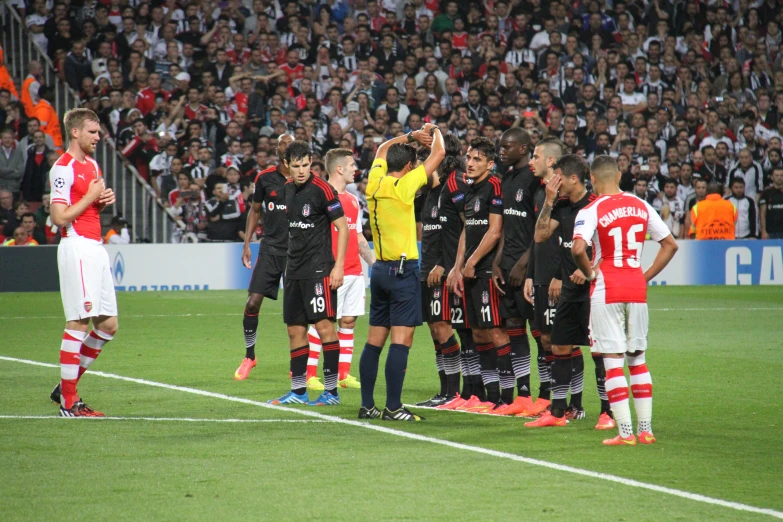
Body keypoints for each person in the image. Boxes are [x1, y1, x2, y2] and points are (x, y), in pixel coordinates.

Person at [571, 155, 678, 445]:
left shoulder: (591, 209)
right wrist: (644, 276)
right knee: (638, 360)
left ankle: (625, 433)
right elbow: (670, 245)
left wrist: (590, 274)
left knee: (613, 362)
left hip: (608, 286)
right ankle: (646, 430)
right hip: (635, 286)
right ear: (619, 175)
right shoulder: (641, 205)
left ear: (592, 180)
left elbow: (578, 248)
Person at [358, 123, 445, 422]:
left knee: (373, 342)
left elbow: (382, 149)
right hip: (403, 270)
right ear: (408, 167)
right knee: (401, 341)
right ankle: (393, 407)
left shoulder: (374, 182)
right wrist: (432, 129)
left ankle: (367, 405)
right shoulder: (405, 187)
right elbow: (441, 152)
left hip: (379, 270)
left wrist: (410, 136)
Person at [47, 108, 117, 417]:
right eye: (92, 132)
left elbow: (86, 205)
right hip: (76, 247)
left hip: (95, 246)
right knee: (78, 322)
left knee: (108, 326)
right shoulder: (63, 168)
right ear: (75, 132)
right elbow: (59, 217)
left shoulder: (92, 164)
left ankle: (67, 384)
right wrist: (90, 198)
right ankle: (69, 402)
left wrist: (99, 202)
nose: (97, 137)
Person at [268, 140, 349, 407]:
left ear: (311, 162)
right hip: (294, 270)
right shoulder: (287, 189)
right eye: (296, 166)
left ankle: (330, 391)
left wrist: (337, 267)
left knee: (325, 326)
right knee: (294, 329)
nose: (301, 170)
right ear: (287, 166)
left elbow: (342, 227)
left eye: (305, 165)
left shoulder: (323, 190)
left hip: (319, 269)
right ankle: (298, 391)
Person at [525, 154, 595, 428]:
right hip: (568, 288)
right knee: (559, 345)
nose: (555, 183)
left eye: (559, 178)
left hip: (593, 287)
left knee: (599, 351)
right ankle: (557, 412)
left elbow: (606, 246)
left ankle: (605, 413)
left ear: (574, 178)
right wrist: (550, 200)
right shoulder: (561, 205)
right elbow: (540, 236)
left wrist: (589, 269)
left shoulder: (595, 205)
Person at [446, 137, 509, 413]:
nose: (470, 164)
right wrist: (458, 267)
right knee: (481, 334)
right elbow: (466, 230)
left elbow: (495, 231)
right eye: (469, 158)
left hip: (486, 271)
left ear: (490, 164)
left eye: (477, 160)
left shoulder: (495, 186)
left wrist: (472, 262)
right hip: (471, 270)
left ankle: (507, 397)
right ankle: (489, 396)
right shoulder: (470, 189)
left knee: (496, 332)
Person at [304, 148, 376, 391]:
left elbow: (358, 237)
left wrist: (375, 263)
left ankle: (343, 374)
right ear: (339, 169)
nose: (356, 169)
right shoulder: (319, 197)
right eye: (352, 165)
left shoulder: (354, 200)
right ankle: (310, 374)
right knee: (321, 323)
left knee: (348, 321)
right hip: (329, 271)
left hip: (355, 272)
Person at [489, 127, 543, 416]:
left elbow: (539, 229)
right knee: (514, 330)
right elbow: (506, 227)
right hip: (507, 267)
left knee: (541, 334)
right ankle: (523, 395)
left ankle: (547, 396)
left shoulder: (535, 181)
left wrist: (524, 263)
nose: (501, 151)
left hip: (528, 269)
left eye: (506, 146)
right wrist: (498, 261)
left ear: (523, 149)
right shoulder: (506, 179)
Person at [234, 134, 293, 380]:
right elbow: (254, 211)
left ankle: (297, 364)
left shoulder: (306, 180)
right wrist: (247, 244)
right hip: (269, 248)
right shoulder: (265, 178)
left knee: (295, 312)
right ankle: (250, 356)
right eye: (282, 143)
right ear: (277, 149)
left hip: (296, 252)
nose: (286, 146)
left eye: (290, 142)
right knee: (252, 303)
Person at [415, 134, 465, 407]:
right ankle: (444, 390)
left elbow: (463, 230)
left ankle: (453, 392)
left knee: (445, 328)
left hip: (443, 271)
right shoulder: (428, 196)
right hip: (427, 271)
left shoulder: (450, 189)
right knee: (435, 330)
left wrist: (446, 265)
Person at [760, 167, 783, 239]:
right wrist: (763, 231)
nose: (779, 177)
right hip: (771, 232)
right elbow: (762, 214)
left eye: (782, 175)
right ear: (772, 177)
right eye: (777, 175)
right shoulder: (766, 193)